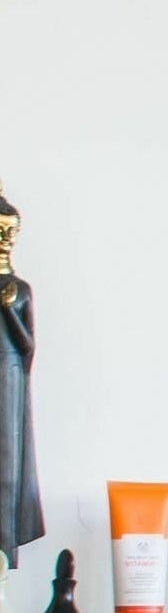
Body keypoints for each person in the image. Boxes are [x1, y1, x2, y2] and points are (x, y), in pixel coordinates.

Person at [0, 188, 41, 571]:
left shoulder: (20, 291)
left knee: (9, 468)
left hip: (10, 378)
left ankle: (5, 551)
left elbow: (28, 347)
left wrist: (8, 311)